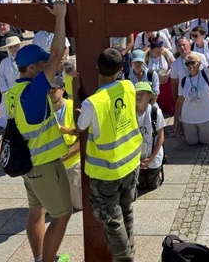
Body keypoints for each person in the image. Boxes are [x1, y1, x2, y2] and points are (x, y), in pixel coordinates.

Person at [4, 0, 71, 262]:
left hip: (28, 166)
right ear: (32, 69)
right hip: (43, 165)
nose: (47, 68)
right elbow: (57, 55)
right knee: (63, 215)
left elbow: (54, 58)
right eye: (41, 66)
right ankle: (47, 261)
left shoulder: (14, 92)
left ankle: (40, 257)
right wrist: (60, 16)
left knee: (36, 212)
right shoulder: (32, 93)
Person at [76, 47, 143, 262]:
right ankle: (129, 249)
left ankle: (124, 259)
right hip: (131, 161)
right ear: (120, 68)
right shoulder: (128, 86)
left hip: (106, 170)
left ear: (97, 67)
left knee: (113, 219)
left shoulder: (92, 102)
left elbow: (81, 125)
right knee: (127, 209)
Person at [174, 43, 209, 145]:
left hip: (206, 115)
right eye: (187, 63)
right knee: (191, 142)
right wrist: (176, 120)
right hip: (189, 117)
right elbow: (179, 101)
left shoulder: (206, 74)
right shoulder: (183, 81)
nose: (190, 66)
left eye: (193, 62)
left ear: (199, 64)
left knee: (205, 141)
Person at [49, 74, 82, 211]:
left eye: (52, 90)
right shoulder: (43, 109)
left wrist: (67, 155)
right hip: (52, 162)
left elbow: (82, 137)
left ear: (62, 89)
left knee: (78, 204)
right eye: (47, 91)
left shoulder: (73, 107)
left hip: (73, 159)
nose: (49, 94)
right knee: (57, 204)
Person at [134, 81, 166, 192]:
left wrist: (151, 158)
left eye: (141, 94)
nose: (138, 96)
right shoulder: (131, 113)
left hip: (153, 156)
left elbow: (161, 137)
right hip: (137, 159)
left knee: (153, 185)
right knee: (141, 185)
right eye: (136, 93)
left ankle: (157, 176)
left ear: (148, 96)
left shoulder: (155, 112)